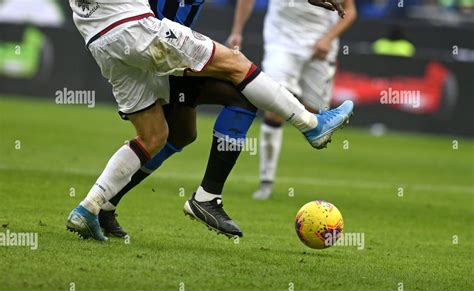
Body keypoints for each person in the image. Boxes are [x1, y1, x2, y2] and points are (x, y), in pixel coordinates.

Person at [66, 0, 353, 241]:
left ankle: (92, 206)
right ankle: (310, 125)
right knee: (237, 70)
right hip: (142, 31)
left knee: (159, 136)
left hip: (102, 42)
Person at [227, 0, 357, 200]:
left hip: (321, 45)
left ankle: (316, 127)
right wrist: (237, 31)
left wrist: (329, 38)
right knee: (275, 106)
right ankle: (266, 182)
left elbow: (350, 10)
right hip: (282, 42)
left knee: (314, 112)